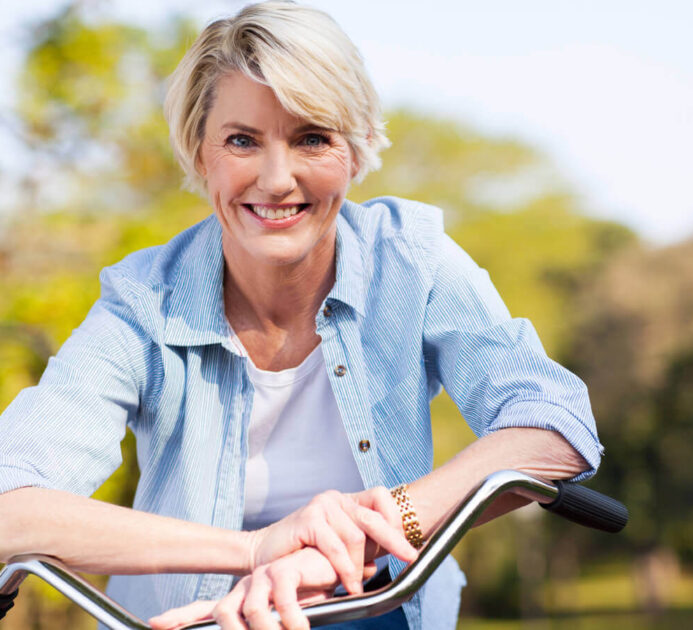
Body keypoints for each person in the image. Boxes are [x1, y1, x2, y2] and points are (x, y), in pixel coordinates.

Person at [0, 2, 603, 629]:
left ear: (359, 147)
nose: (277, 177)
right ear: (200, 153)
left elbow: (552, 420)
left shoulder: (410, 261)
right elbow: (8, 502)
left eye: (312, 137)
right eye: (241, 140)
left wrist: (373, 531)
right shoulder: (142, 301)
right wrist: (258, 550)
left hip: (374, 604)